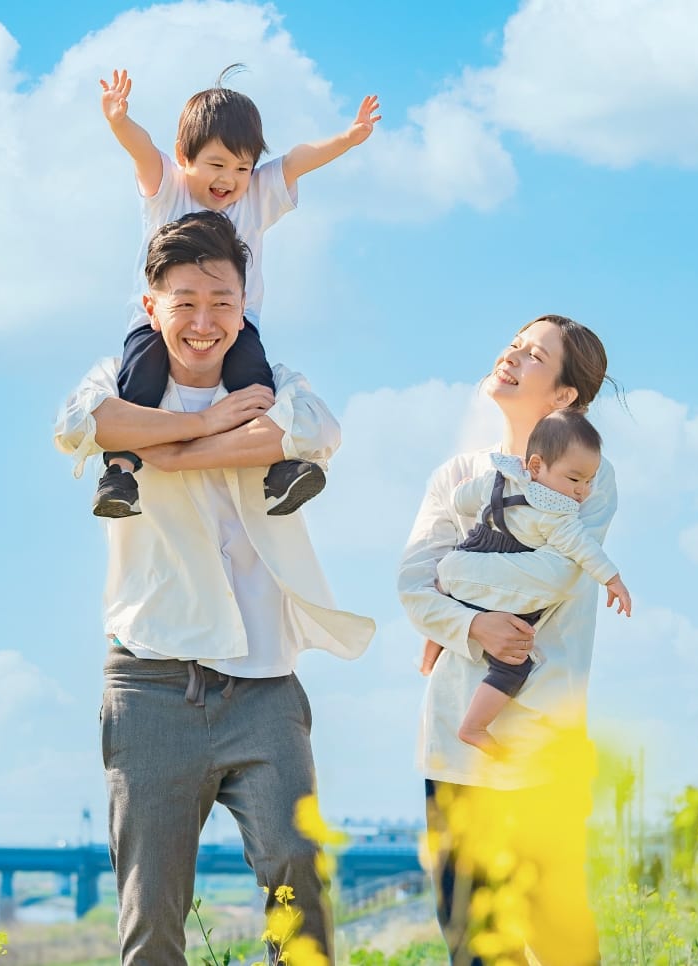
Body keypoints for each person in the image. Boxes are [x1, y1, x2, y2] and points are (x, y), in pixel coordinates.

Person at [53, 210, 375, 964]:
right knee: (153, 910)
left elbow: (312, 432)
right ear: (151, 307)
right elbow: (82, 424)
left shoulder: (274, 384)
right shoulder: (117, 382)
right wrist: (209, 426)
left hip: (264, 681)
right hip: (151, 680)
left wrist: (173, 452)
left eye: (222, 303)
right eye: (186, 302)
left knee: (297, 869)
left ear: (244, 305)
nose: (204, 323)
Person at [399, 315, 619, 965]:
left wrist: (451, 591)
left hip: (541, 740)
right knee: (473, 946)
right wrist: (470, 626)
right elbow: (411, 585)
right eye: (515, 345)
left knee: (561, 938)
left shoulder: (586, 474)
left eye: (535, 356)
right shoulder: (458, 474)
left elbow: (554, 575)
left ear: (565, 395)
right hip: (453, 743)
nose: (512, 356)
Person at [93, 64, 381, 518]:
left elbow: (298, 159)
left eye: (242, 167)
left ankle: (279, 469)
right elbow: (142, 150)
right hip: (156, 322)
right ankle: (120, 471)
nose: (228, 179)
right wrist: (119, 122)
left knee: (254, 380)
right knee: (141, 378)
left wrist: (347, 138)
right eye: (216, 165)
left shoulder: (256, 195)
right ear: (183, 156)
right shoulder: (168, 189)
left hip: (238, 323)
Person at [419, 409, 631, 758]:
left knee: (450, 603)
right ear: (535, 466)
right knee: (514, 663)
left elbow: (463, 499)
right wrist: (612, 578)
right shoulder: (556, 515)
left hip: (472, 552)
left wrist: (460, 495)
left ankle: (432, 650)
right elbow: (584, 550)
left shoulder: (499, 479)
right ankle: (474, 726)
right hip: (502, 589)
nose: (582, 491)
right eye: (574, 479)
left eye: (589, 482)